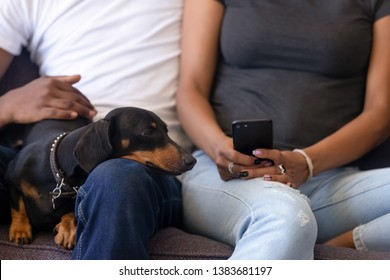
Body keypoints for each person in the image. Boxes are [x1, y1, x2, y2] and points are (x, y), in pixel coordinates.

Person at [177, 0, 390, 259]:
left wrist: (307, 162)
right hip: (227, 173)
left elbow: (381, 114)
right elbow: (191, 90)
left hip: (329, 179)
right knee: (286, 219)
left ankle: (342, 245)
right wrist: (220, 148)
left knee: (293, 217)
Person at [0, 0, 191, 259]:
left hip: (137, 173)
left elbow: (195, 89)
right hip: (49, 150)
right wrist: (8, 105)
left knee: (115, 178)